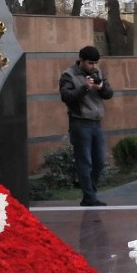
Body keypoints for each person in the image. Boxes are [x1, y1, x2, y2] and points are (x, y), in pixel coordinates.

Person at [59, 46, 115, 207]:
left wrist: (101, 87)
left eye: (96, 63)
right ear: (81, 60)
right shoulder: (68, 75)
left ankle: (90, 194)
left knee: (99, 161)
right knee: (85, 162)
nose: (94, 66)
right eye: (90, 63)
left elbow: (109, 94)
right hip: (80, 122)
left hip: (97, 123)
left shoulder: (98, 73)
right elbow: (66, 97)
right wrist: (85, 88)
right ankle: (90, 197)